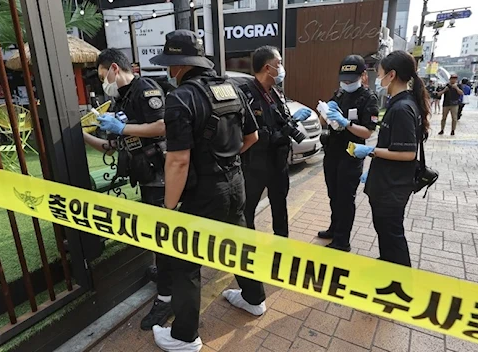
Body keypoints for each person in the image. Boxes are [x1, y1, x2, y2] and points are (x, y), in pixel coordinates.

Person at [149, 30, 265, 352]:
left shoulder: (181, 97)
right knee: (240, 245)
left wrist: (170, 209)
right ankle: (254, 299)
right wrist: (226, 163)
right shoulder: (233, 89)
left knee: (186, 263)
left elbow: (178, 162)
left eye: (171, 64)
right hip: (236, 184)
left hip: (203, 194)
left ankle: (185, 337)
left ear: (179, 64)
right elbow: (252, 137)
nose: (169, 71)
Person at [85, 48, 173, 331]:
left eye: (102, 76)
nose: (103, 83)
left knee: (163, 237)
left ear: (113, 68)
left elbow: (163, 126)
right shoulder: (120, 100)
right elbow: (113, 145)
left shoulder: (145, 89)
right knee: (158, 236)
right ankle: (166, 276)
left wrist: (123, 130)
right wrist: (82, 136)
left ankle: (167, 297)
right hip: (146, 178)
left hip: (161, 176)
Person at [350, 50, 430, 267]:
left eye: (380, 73)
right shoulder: (398, 103)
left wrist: (370, 151)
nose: (378, 78)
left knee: (393, 236)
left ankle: (401, 283)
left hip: (392, 187)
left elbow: (408, 153)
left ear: (391, 75)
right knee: (385, 233)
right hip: (386, 183)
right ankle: (387, 267)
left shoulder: (403, 108)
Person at [233, 46, 311, 238]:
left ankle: (280, 249)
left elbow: (281, 120)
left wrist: (290, 123)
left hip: (278, 162)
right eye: (279, 63)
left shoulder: (276, 93)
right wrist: (272, 134)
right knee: (248, 209)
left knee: (280, 206)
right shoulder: (245, 94)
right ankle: (248, 250)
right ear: (268, 68)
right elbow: (243, 133)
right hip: (255, 165)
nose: (282, 67)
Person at [316, 55, 379, 252]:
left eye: (351, 79)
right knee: (333, 195)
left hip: (351, 155)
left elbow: (368, 131)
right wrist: (325, 113)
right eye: (344, 79)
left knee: (345, 198)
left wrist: (347, 124)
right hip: (333, 153)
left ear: (362, 75)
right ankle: (334, 229)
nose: (347, 83)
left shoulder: (368, 98)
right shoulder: (339, 94)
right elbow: (323, 119)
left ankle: (342, 241)